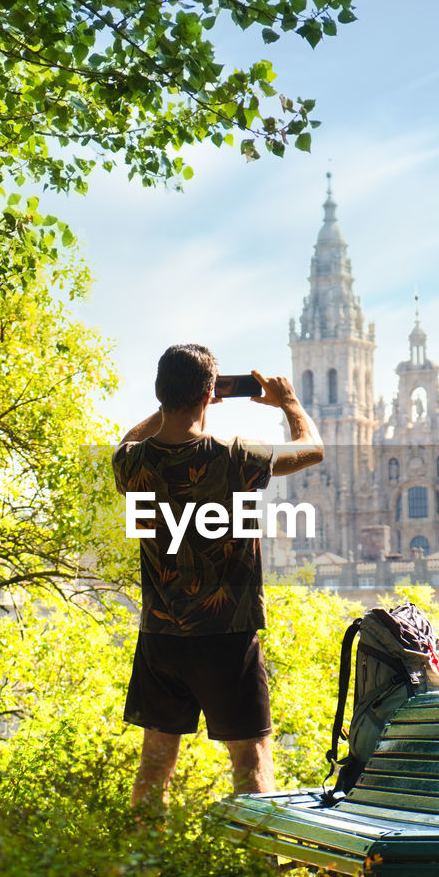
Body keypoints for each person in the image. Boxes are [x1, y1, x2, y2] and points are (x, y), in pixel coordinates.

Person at [112, 343, 323, 810]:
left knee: (155, 762)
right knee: (250, 761)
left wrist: (177, 402)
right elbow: (312, 450)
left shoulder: (130, 463)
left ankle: (141, 874)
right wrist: (288, 402)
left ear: (160, 392)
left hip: (161, 634)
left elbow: (128, 438)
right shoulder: (234, 456)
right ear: (210, 394)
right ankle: (254, 875)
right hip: (226, 636)